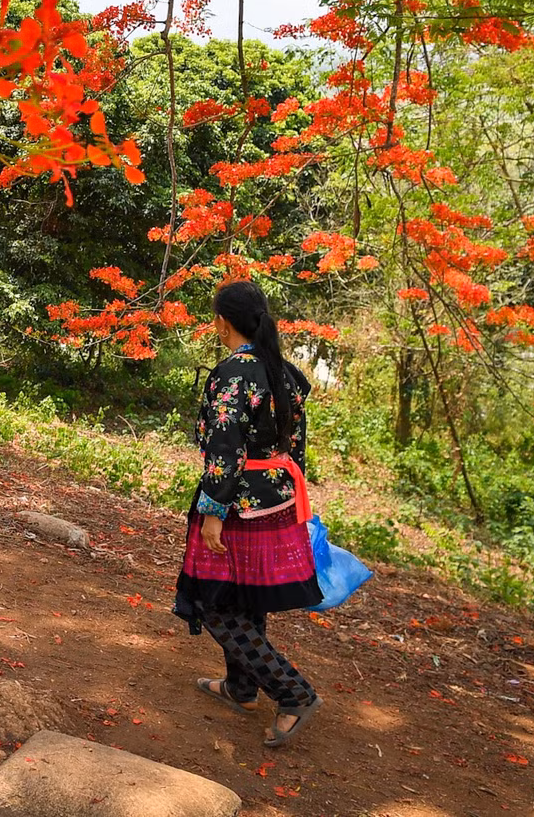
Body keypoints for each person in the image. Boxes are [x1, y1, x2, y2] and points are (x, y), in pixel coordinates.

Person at [174, 280, 323, 748]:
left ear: (223, 322)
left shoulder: (235, 372)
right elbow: (295, 445)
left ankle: (293, 692)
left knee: (213, 602)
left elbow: (225, 446)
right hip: (275, 499)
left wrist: (213, 510)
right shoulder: (284, 371)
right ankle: (241, 688)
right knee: (246, 596)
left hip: (237, 503)